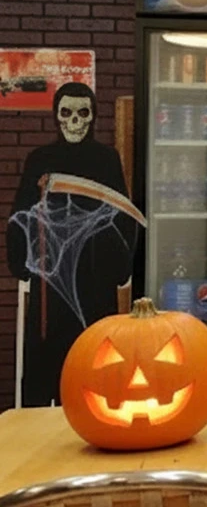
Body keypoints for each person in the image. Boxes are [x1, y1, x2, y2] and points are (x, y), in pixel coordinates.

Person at [5, 82, 135, 407]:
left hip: (95, 276)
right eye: (66, 113)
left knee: (93, 359)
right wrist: (20, 261)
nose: (74, 122)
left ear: (92, 117)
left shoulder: (106, 159)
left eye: (82, 113)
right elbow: (21, 210)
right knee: (44, 359)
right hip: (49, 278)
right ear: (56, 116)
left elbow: (122, 215)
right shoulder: (41, 158)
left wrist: (120, 266)